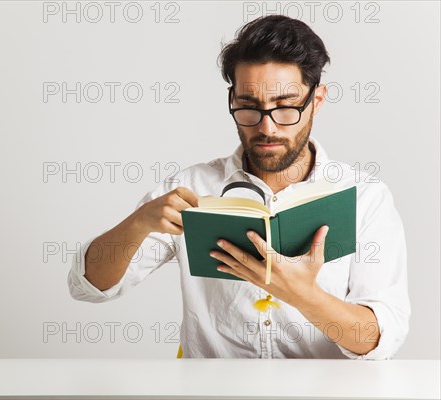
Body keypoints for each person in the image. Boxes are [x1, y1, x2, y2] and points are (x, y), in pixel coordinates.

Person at [67, 15, 410, 359]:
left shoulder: (363, 198)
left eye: (286, 108)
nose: (268, 127)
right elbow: (89, 287)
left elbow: (380, 339)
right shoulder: (190, 188)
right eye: (249, 107)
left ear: (316, 101)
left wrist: (303, 294)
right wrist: (138, 222)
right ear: (232, 98)